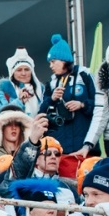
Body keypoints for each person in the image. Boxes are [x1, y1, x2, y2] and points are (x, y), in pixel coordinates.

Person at [39, 33, 96, 176]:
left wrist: (82, 105)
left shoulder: (85, 75)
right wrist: (51, 99)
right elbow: (41, 113)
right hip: (61, 146)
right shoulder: (51, 83)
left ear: (64, 60)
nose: (50, 66)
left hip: (83, 144)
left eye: (53, 61)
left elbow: (100, 105)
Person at [0, 47, 44, 119]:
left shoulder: (42, 92)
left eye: (27, 69)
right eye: (19, 70)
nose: (23, 73)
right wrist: (19, 102)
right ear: (13, 73)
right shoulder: (3, 93)